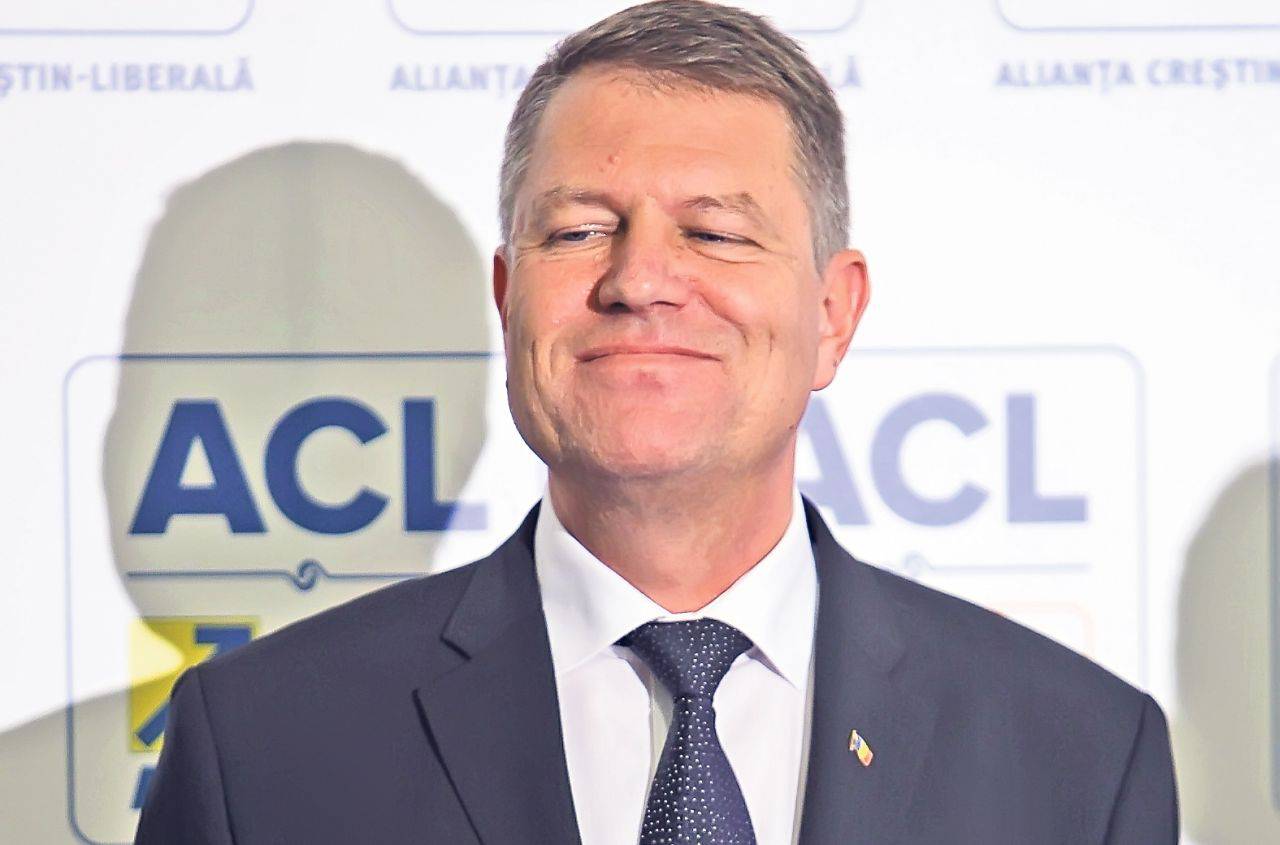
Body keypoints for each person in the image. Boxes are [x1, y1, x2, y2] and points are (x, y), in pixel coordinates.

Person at [135, 1, 1179, 842]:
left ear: (832, 312)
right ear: (508, 298)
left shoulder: (1080, 753)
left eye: (714, 233)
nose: (639, 280)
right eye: (579, 230)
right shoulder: (264, 742)